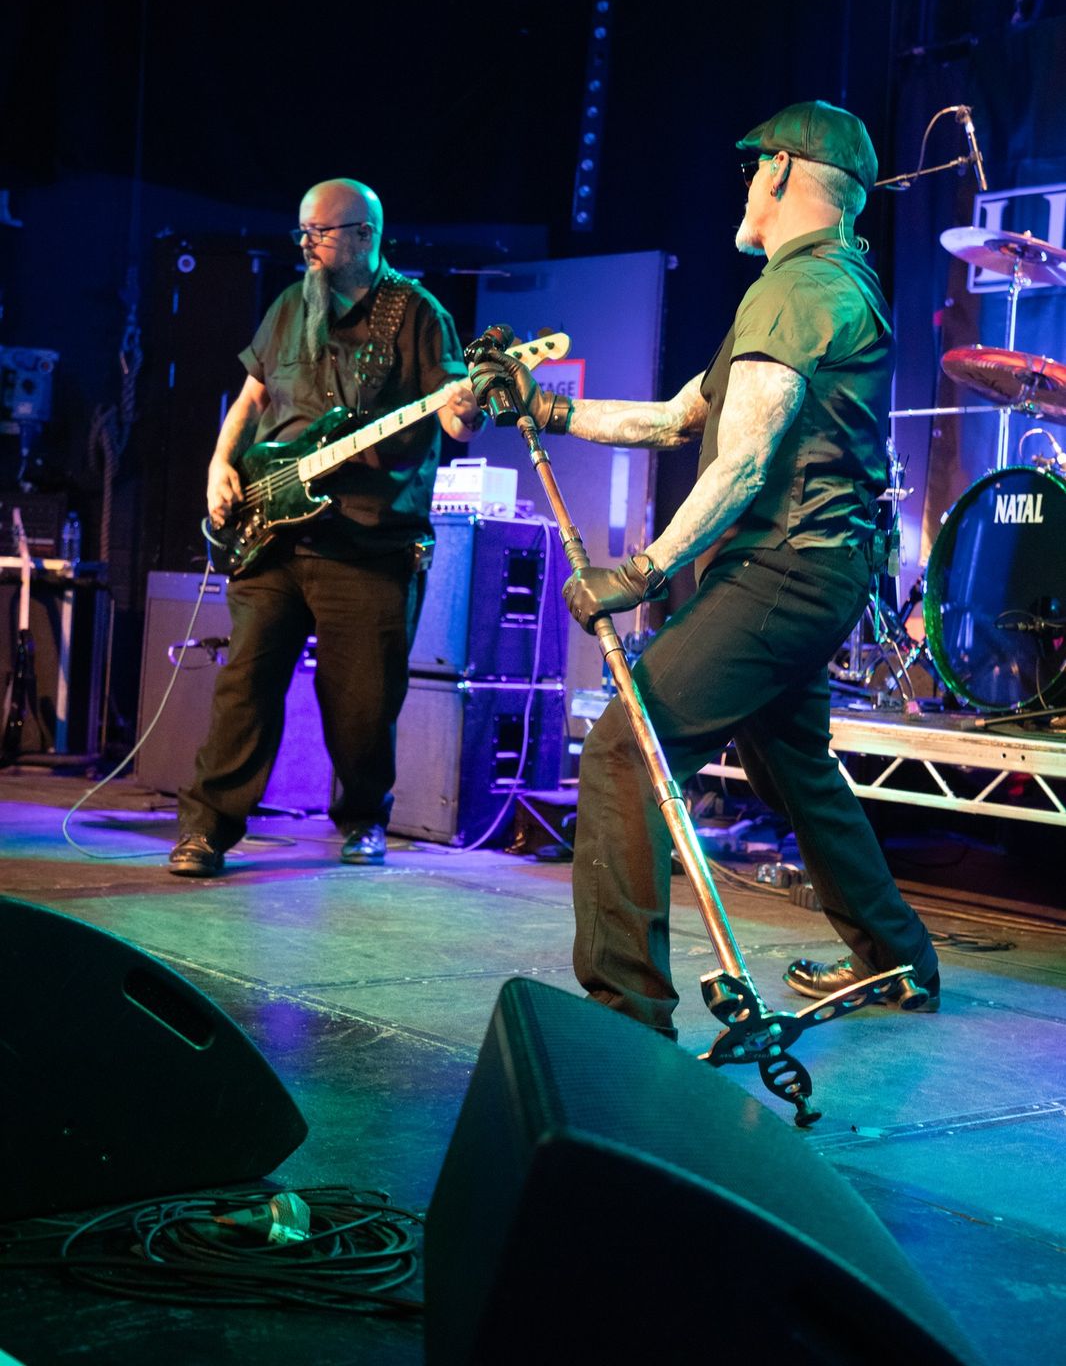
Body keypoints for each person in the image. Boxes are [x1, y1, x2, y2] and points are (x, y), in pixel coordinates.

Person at [470, 100, 940, 1036]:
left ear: (782, 171)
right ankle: (897, 958)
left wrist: (642, 571)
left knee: (625, 749)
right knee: (795, 769)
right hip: (814, 572)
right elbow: (678, 419)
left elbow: (746, 461)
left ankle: (628, 1013)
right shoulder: (820, 285)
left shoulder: (800, 289)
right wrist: (546, 408)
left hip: (782, 571)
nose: (746, 184)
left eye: (753, 167)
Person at [169, 177, 482, 877]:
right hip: (271, 533)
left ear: (365, 236)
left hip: (368, 541)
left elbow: (455, 417)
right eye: (303, 231)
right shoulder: (289, 304)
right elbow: (251, 398)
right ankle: (206, 829)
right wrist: (220, 464)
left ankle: (364, 816)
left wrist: (466, 407)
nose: (306, 244)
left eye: (321, 232)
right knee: (244, 686)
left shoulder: (418, 314)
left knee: (362, 704)